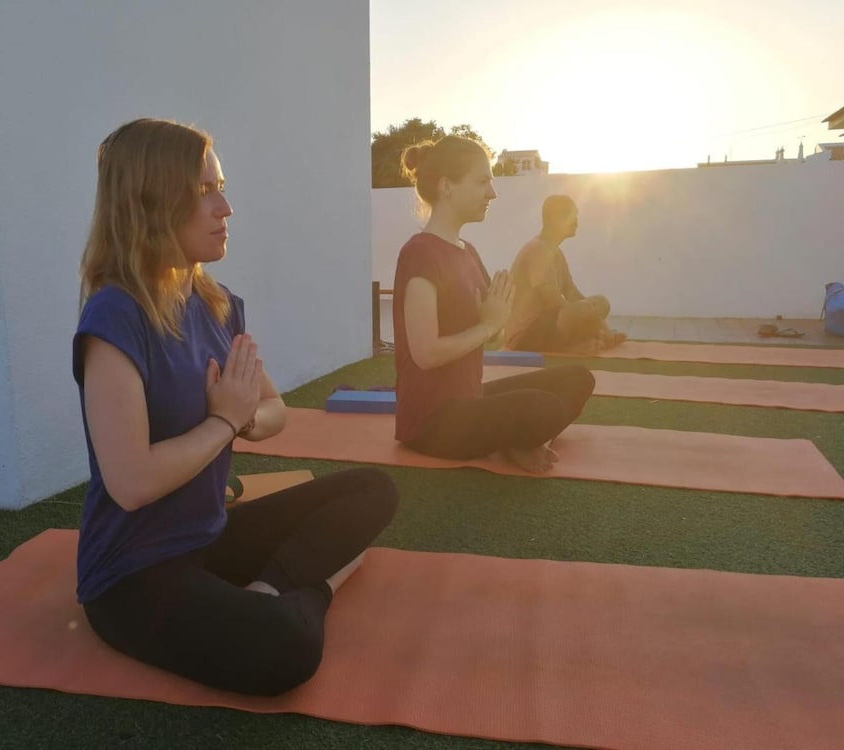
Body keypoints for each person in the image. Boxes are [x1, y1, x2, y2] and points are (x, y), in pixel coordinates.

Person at [73, 118, 398, 696]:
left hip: (209, 536)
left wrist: (242, 415)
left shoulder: (217, 305)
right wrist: (223, 420)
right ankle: (316, 586)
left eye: (220, 188)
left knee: (374, 489)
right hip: (134, 572)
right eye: (203, 192)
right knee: (286, 647)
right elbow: (132, 483)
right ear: (149, 202)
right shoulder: (114, 317)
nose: (225, 208)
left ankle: (268, 591)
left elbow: (274, 411)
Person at [392, 136, 595, 474]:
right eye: (482, 182)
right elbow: (426, 354)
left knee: (577, 379)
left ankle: (521, 440)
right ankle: (522, 438)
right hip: (432, 423)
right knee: (543, 408)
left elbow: (493, 333)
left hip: (469, 399)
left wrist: (496, 324)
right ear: (446, 186)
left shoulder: (467, 252)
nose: (492, 193)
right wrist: (487, 325)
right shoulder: (420, 254)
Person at [505, 195, 627, 353]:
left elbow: (571, 292)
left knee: (601, 303)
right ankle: (577, 345)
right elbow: (552, 300)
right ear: (553, 219)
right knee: (583, 309)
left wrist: (592, 316)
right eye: (570, 215)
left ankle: (597, 337)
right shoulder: (538, 250)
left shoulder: (556, 253)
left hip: (548, 326)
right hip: (525, 337)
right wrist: (584, 315)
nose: (576, 222)